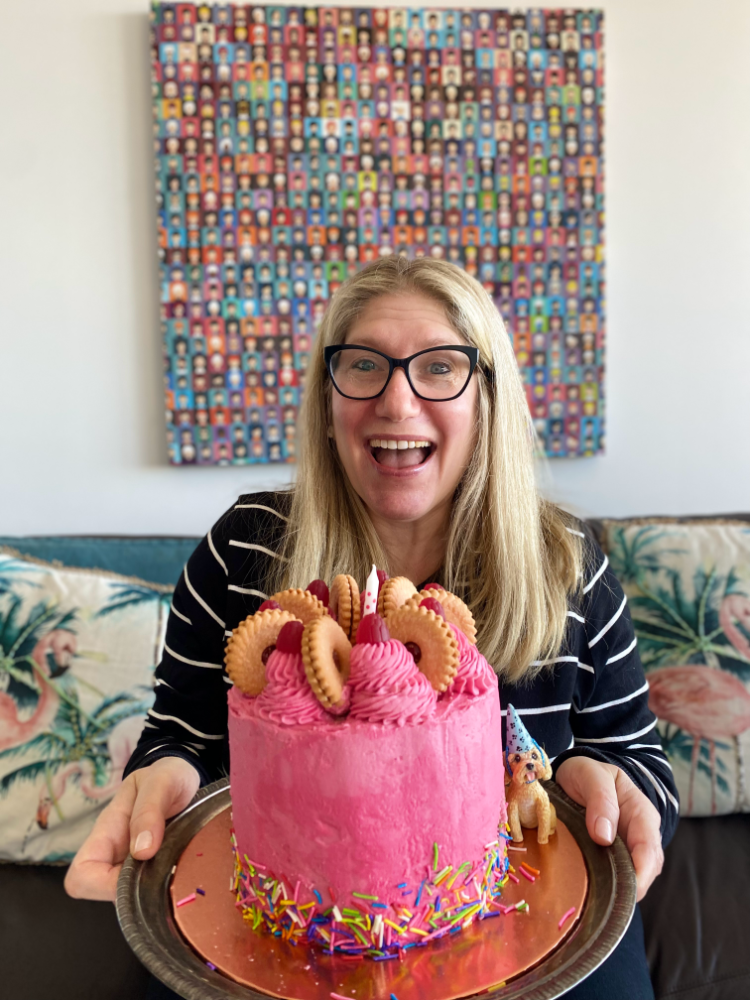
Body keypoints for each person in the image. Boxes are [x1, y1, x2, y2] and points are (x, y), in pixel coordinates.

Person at [66, 258, 674, 1000]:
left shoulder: (567, 567)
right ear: (327, 399)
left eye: (440, 367)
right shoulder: (244, 550)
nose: (396, 399)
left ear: (487, 398)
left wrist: (607, 792)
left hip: (523, 927)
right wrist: (165, 772)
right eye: (363, 365)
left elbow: (637, 757)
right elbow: (178, 734)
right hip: (281, 940)